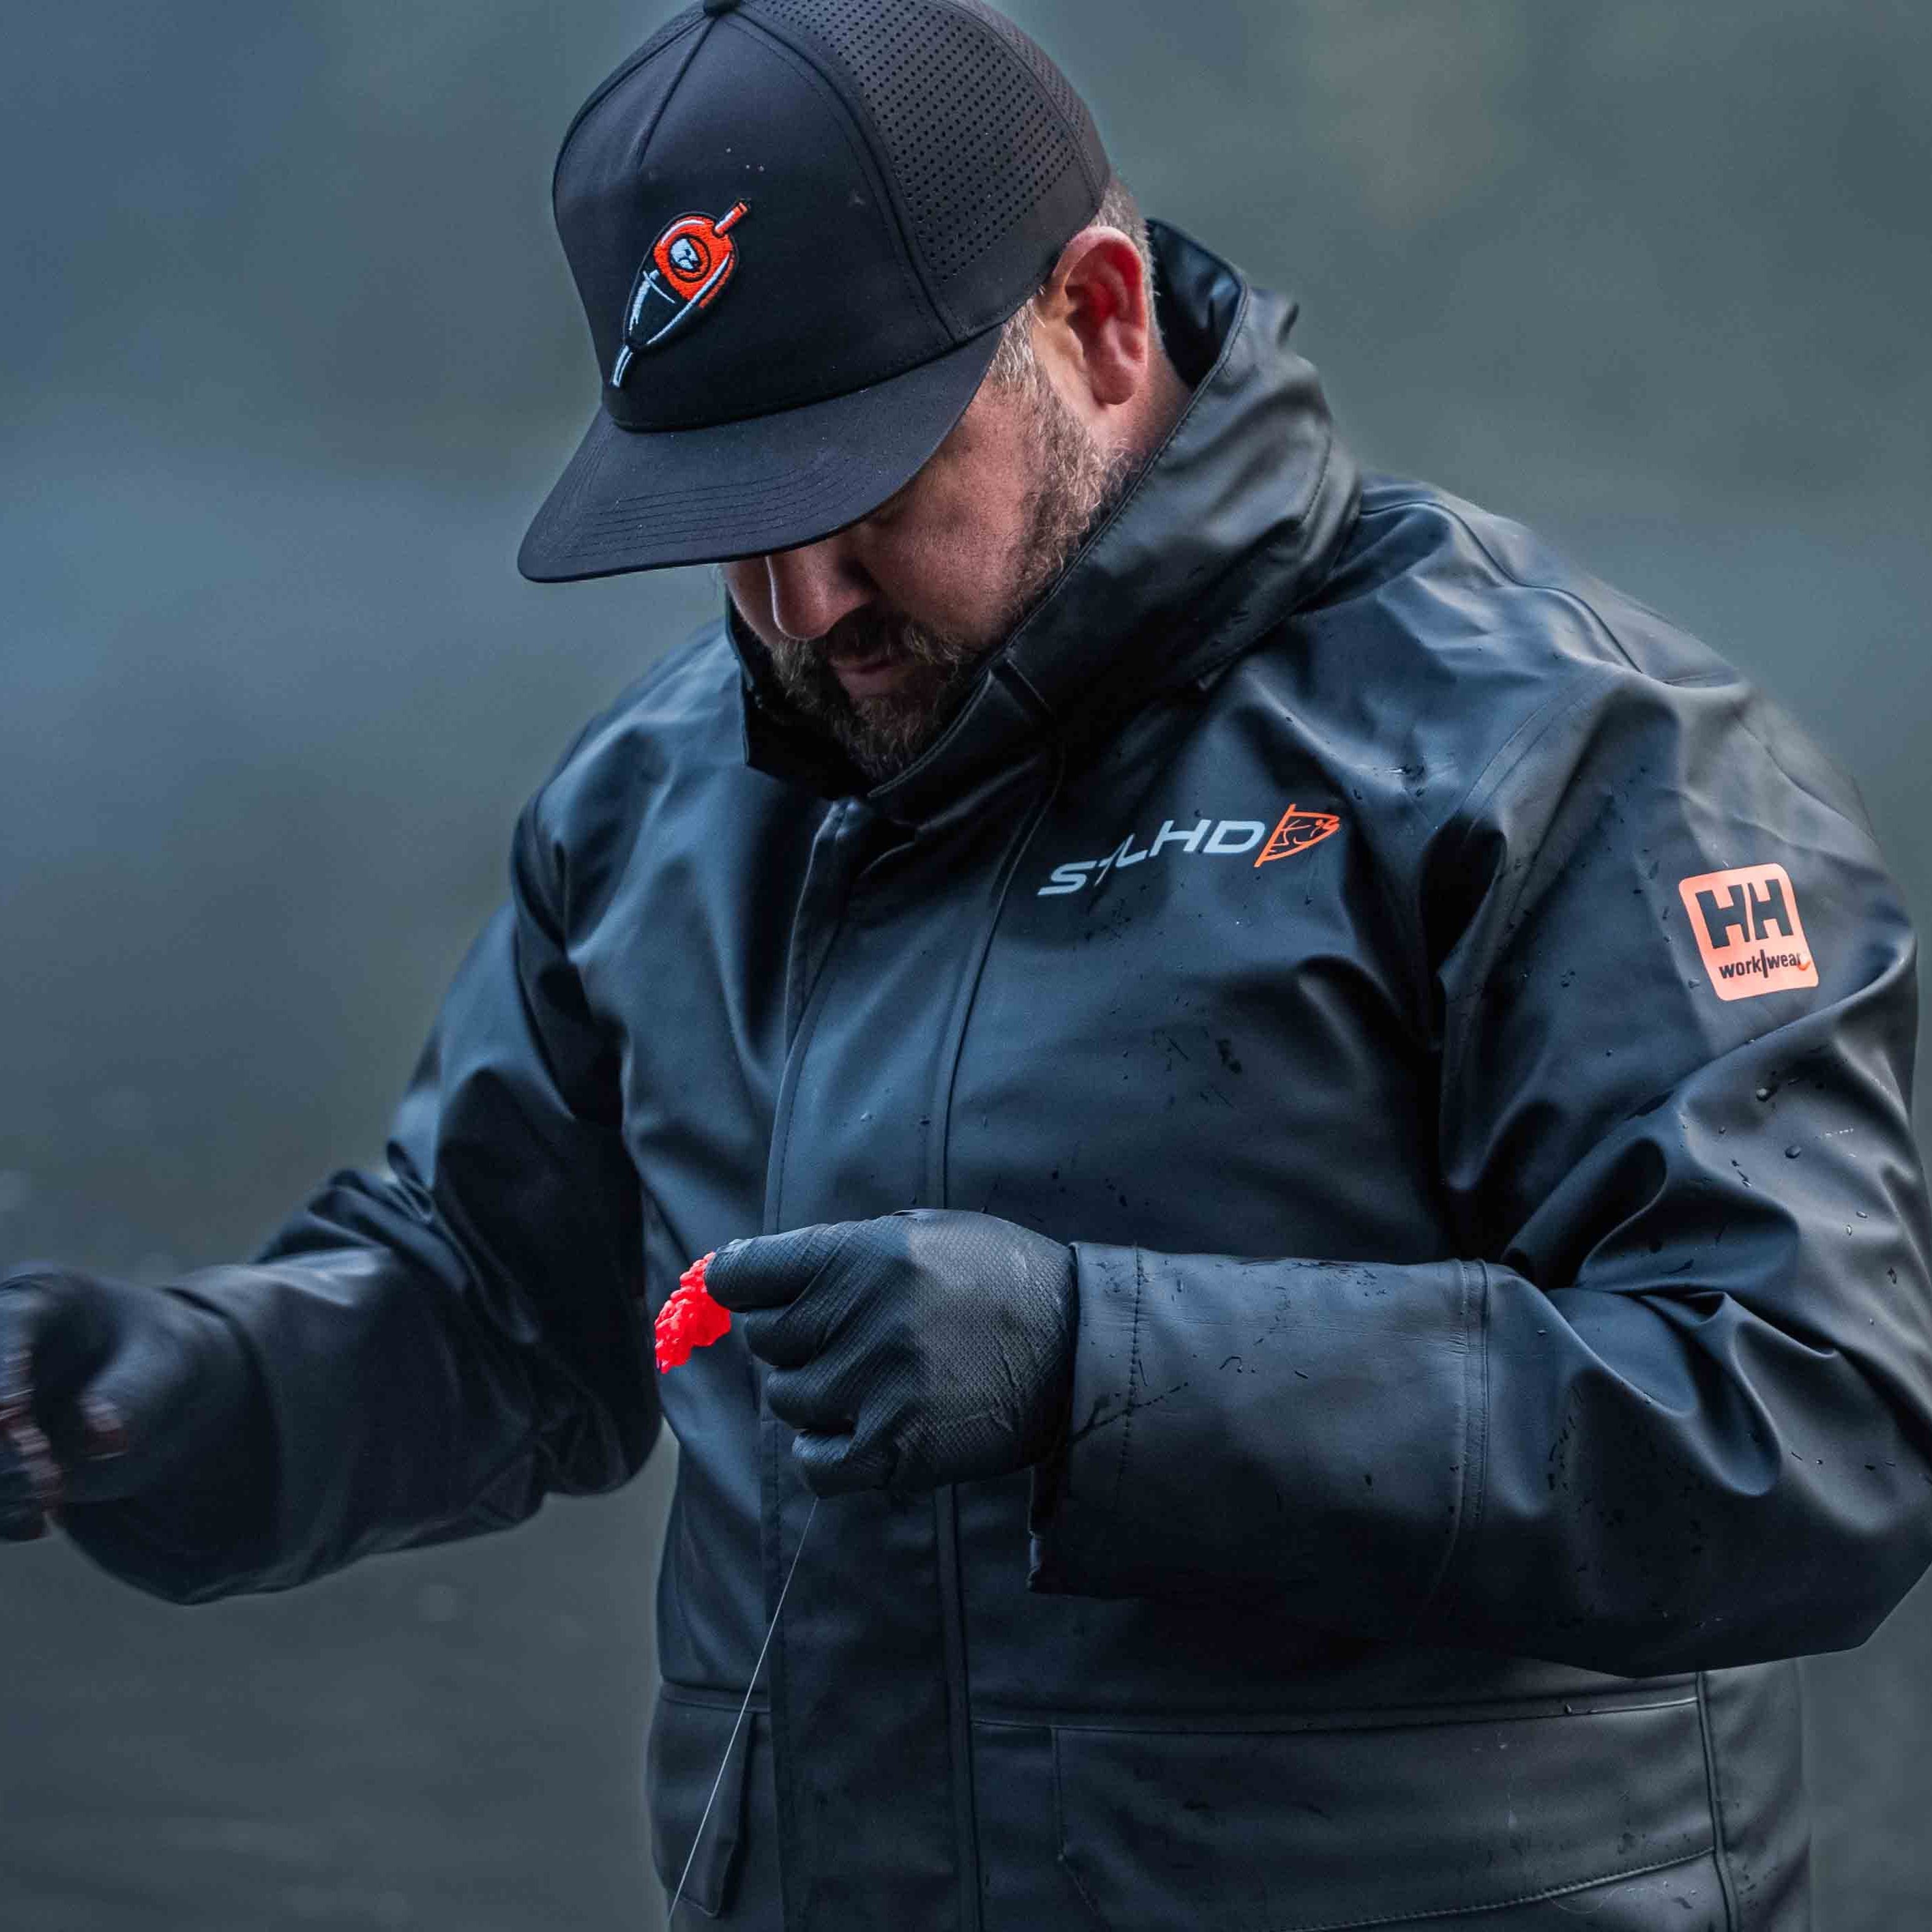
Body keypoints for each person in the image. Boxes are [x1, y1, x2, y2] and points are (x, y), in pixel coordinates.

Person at [5, 1, 1931, 1926]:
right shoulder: (657, 807)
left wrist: (1095, 1368)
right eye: (729, 519)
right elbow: (500, 1317)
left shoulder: (1578, 754)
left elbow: (1809, 1426)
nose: (800, 603)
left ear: (1098, 319)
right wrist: (166, 1394)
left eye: (858, 487)